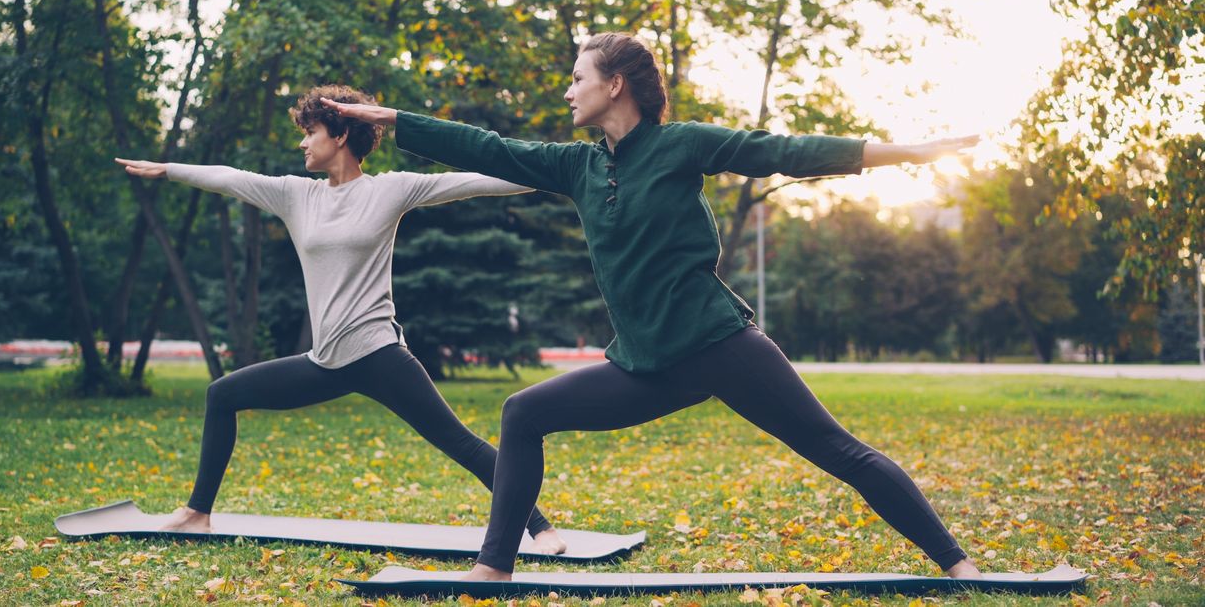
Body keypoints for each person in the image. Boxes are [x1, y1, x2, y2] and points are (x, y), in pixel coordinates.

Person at [323, 32, 982, 580]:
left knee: (840, 451)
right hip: (644, 364)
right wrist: (393, 121)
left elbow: (782, 152)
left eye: (577, 77)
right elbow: (491, 148)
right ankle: (493, 570)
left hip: (720, 346)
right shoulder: (578, 167)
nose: (567, 88)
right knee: (524, 412)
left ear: (616, 85)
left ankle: (958, 564)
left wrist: (909, 153)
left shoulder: (679, 146)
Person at [114, 84, 566, 554]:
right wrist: (169, 169)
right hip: (324, 361)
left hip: (379, 356)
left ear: (342, 135)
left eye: (310, 132)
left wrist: (557, 173)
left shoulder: (389, 189)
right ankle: (196, 513)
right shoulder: (296, 196)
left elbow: (472, 182)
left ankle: (540, 527)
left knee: (462, 444)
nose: (303, 142)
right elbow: (229, 178)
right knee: (222, 395)